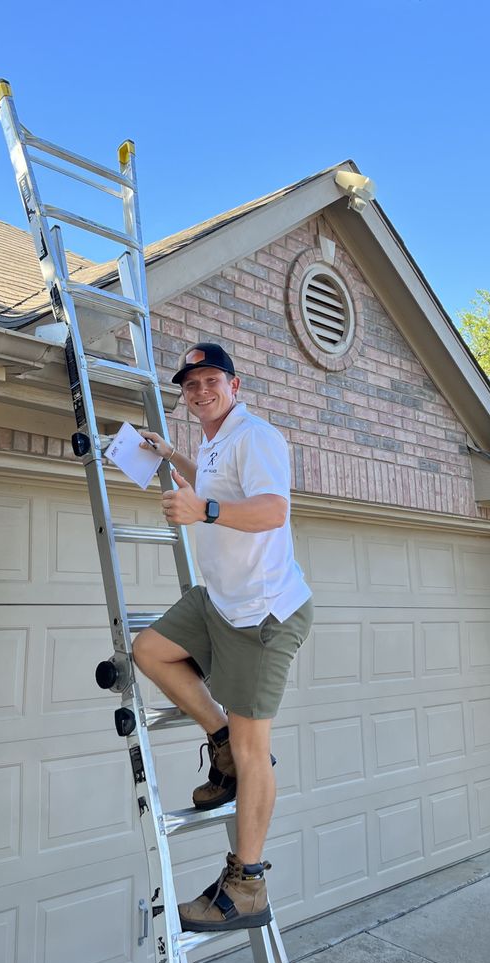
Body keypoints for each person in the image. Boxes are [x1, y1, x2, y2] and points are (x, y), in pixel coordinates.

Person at [132, 342, 313, 933]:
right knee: (149, 650)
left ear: (235, 386)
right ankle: (221, 742)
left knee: (255, 748)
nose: (201, 390)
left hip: (262, 613)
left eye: (212, 380)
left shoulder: (256, 436)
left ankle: (247, 883)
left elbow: (272, 511)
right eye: (191, 385)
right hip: (219, 601)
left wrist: (203, 511)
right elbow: (214, 480)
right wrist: (172, 456)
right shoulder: (215, 441)